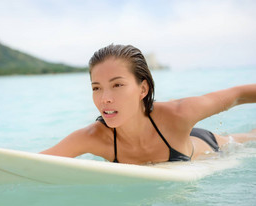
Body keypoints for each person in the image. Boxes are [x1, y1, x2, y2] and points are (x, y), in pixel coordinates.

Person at [41, 44, 256, 164]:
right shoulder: (93, 137)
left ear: (143, 89)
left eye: (117, 85)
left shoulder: (179, 113)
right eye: (96, 87)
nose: (104, 98)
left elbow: (238, 95)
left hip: (206, 145)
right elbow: (33, 163)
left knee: (249, 139)